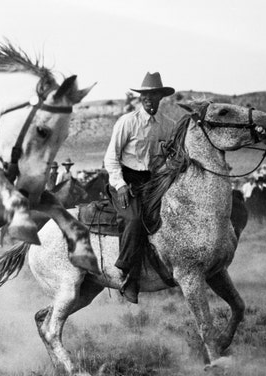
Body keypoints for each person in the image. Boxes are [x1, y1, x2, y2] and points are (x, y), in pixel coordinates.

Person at [103, 72, 175, 303]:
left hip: (153, 182)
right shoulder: (127, 122)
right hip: (126, 181)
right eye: (145, 94)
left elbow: (171, 157)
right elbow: (111, 158)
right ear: (140, 97)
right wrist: (120, 185)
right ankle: (127, 274)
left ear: (160, 97)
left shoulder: (167, 126)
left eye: (153, 94)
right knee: (134, 220)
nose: (148, 98)